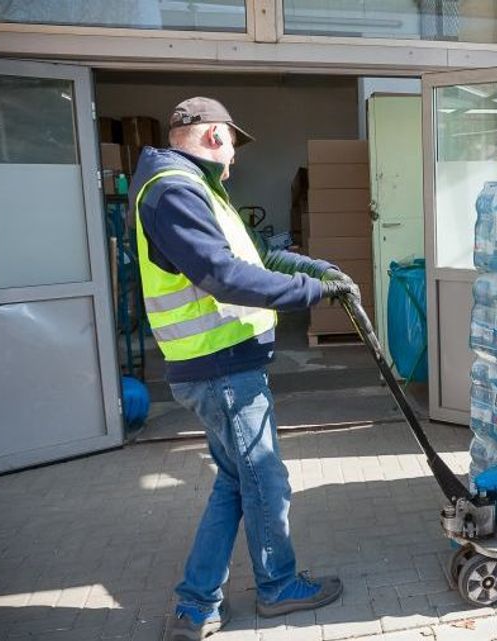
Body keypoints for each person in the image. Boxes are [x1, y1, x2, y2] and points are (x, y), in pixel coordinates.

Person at [130, 97, 356, 641]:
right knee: (264, 482)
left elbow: (255, 255)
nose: (234, 160)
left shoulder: (200, 191)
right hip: (220, 369)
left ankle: (197, 604)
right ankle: (276, 586)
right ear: (213, 137)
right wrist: (310, 292)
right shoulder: (173, 192)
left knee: (235, 482)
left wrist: (315, 266)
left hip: (223, 366)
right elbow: (223, 275)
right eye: (233, 146)